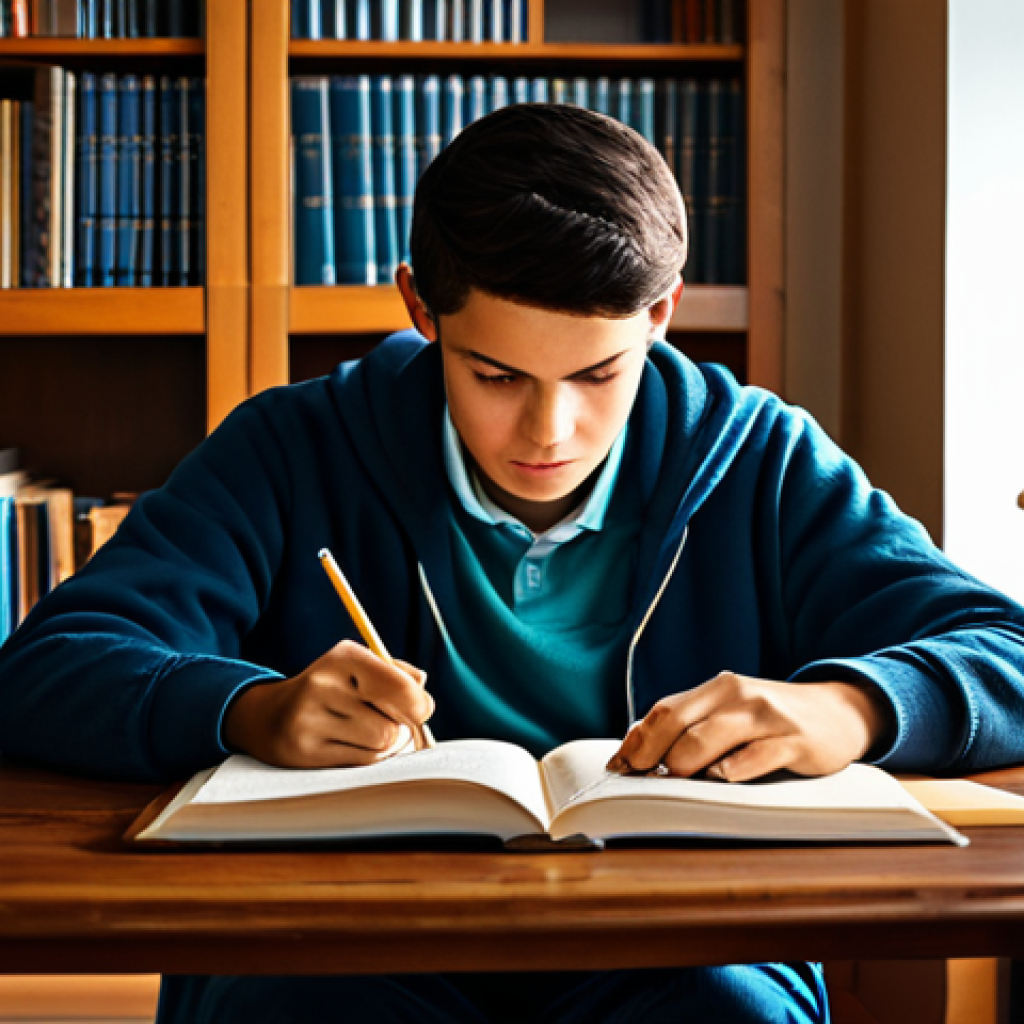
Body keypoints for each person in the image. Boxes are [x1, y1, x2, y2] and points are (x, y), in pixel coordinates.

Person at [2, 103, 1024, 1023]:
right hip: (332, 943)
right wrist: (248, 710)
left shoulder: (759, 456)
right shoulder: (289, 447)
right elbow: (49, 666)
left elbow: (1004, 649)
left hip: (683, 945)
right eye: (494, 374)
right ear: (419, 307)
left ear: (660, 314)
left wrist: (851, 707)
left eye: (598, 372)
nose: (549, 429)